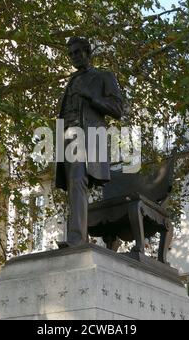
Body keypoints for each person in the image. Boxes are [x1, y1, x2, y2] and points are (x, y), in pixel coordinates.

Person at [55, 36, 123, 247]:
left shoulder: (103, 76)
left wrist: (91, 96)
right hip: (67, 135)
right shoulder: (71, 81)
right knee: (73, 185)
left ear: (88, 52)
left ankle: (76, 239)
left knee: (77, 180)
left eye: (77, 52)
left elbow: (117, 109)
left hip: (88, 135)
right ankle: (78, 237)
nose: (73, 57)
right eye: (70, 54)